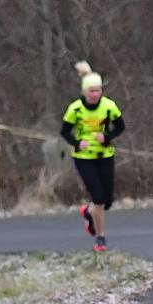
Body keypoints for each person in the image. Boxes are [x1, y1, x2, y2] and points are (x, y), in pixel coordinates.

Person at [60, 61, 125, 252]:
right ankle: (100, 238)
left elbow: (120, 127)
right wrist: (77, 143)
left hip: (105, 154)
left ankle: (88, 213)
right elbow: (65, 132)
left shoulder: (108, 106)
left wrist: (107, 136)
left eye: (98, 90)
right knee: (98, 198)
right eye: (91, 91)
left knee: (107, 202)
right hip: (84, 158)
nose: (95, 94)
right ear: (84, 92)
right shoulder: (75, 109)